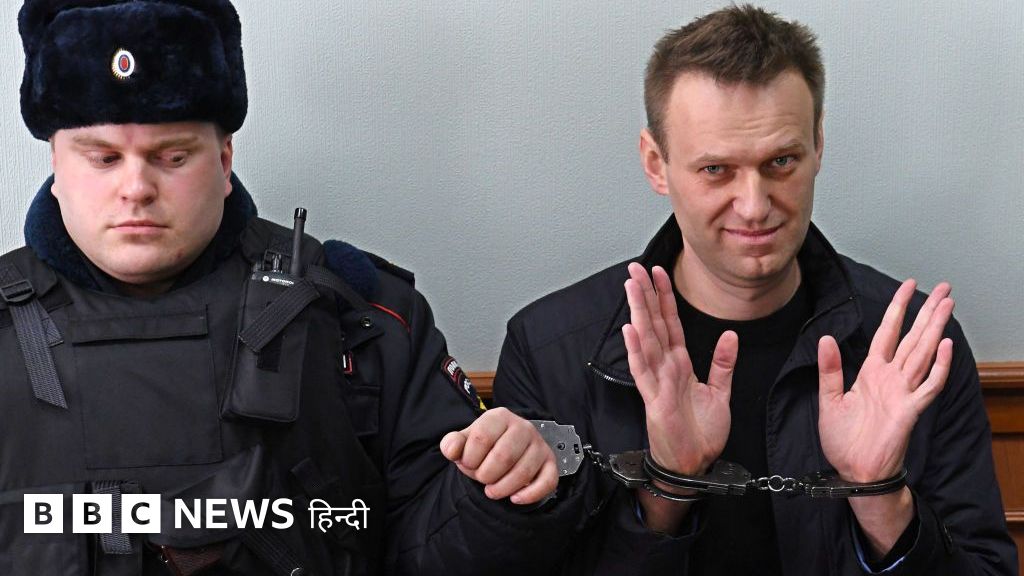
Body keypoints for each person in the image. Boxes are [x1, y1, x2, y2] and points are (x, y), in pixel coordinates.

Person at [0, 1, 583, 574]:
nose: (136, 188)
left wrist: (502, 491)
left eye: (172, 156)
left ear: (224, 162)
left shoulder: (359, 315)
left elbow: (432, 547)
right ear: (56, 165)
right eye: (103, 158)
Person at [493, 4, 1017, 575]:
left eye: (781, 161)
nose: (754, 205)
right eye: (716, 170)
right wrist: (668, 487)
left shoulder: (916, 349)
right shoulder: (547, 352)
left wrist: (880, 497)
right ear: (656, 164)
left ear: (818, 145)